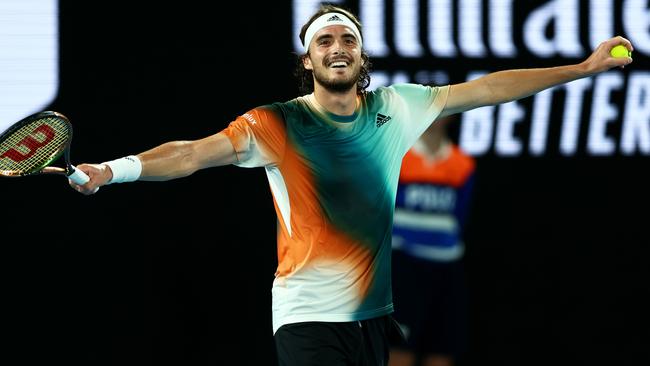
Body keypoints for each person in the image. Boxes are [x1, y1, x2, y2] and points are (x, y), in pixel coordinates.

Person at [68, 4, 633, 366]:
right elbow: (190, 154)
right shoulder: (276, 123)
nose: (337, 46)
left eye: (348, 39)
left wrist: (580, 70)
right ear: (308, 59)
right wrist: (112, 170)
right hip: (306, 314)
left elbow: (488, 88)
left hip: (371, 318)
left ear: (361, 56)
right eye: (324, 41)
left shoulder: (398, 107)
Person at [389, 114, 474, 366]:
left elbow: (460, 216)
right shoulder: (398, 156)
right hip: (403, 267)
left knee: (443, 348)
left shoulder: (463, 164)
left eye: (442, 109)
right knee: (398, 347)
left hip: (446, 269)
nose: (435, 116)